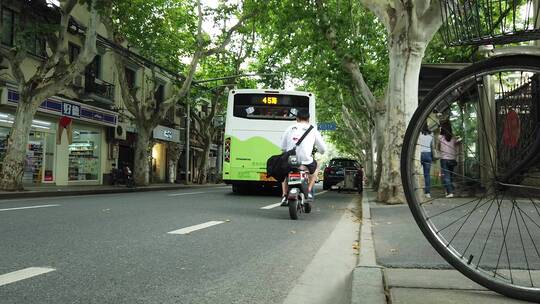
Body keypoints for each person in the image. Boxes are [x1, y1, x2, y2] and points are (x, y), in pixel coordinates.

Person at [279, 109, 327, 205]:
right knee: (317, 165)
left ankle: (284, 195)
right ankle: (308, 191)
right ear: (308, 119)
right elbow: (323, 149)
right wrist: (320, 151)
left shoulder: (290, 128)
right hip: (306, 162)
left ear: (297, 118)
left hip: (290, 161)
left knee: (284, 173)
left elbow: (283, 148)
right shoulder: (313, 130)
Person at [439, 120, 459, 198]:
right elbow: (457, 145)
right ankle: (448, 191)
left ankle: (450, 192)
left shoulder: (440, 137)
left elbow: (438, 147)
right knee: (450, 177)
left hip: (444, 159)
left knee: (446, 176)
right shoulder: (453, 138)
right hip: (452, 159)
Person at [419, 123, 433, 199]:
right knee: (427, 175)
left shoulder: (419, 135)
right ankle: (428, 193)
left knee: (416, 173)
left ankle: (417, 190)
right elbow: (432, 145)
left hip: (420, 154)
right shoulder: (431, 135)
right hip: (428, 154)